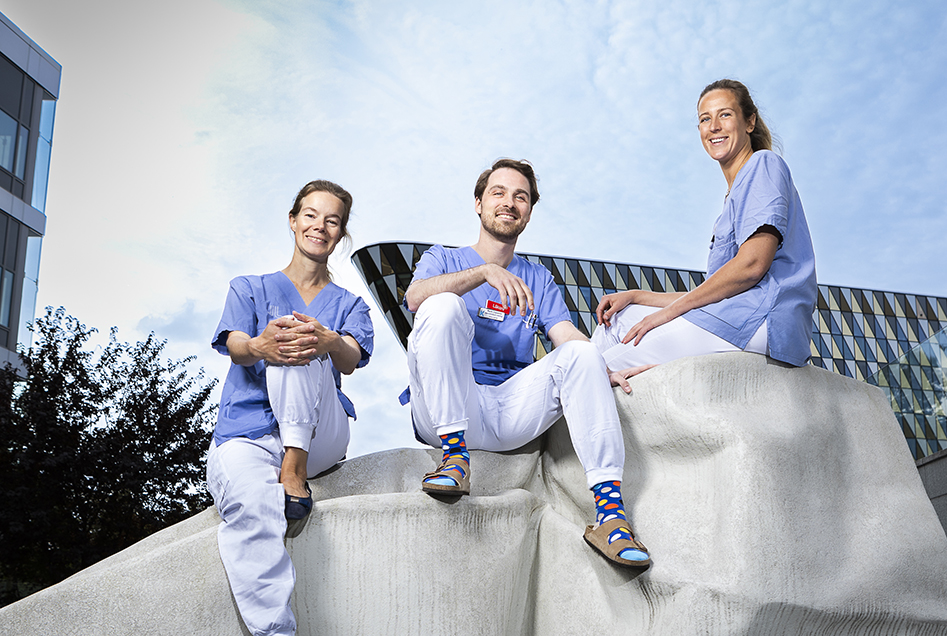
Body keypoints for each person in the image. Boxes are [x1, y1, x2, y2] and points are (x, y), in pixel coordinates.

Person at [403, 158, 651, 568]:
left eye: (520, 196)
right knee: (441, 305)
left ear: (529, 212)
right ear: (479, 203)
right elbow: (414, 299)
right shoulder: (443, 258)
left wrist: (599, 366)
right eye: (498, 192)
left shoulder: (538, 278)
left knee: (582, 352)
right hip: (448, 409)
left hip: (508, 412)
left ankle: (610, 517)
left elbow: (565, 337)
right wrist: (483, 272)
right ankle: (454, 459)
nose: (509, 202)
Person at [205, 180, 374, 636]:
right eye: (312, 215)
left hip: (319, 435)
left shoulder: (350, 304)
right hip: (248, 434)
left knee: (305, 339)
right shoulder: (249, 288)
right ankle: (275, 632)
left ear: (340, 235)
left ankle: (294, 470)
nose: (320, 226)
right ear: (293, 220)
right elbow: (236, 345)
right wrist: (261, 344)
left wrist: (329, 339)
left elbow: (352, 360)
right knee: (255, 504)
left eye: (332, 221)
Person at [592, 79, 817, 376]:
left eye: (724, 114)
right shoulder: (733, 196)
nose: (713, 126)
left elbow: (752, 265)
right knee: (619, 318)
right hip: (731, 315)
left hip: (760, 320)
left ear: (749, 122)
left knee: (592, 372)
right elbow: (711, 292)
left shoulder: (763, 165)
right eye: (704, 119)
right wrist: (636, 295)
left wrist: (668, 314)